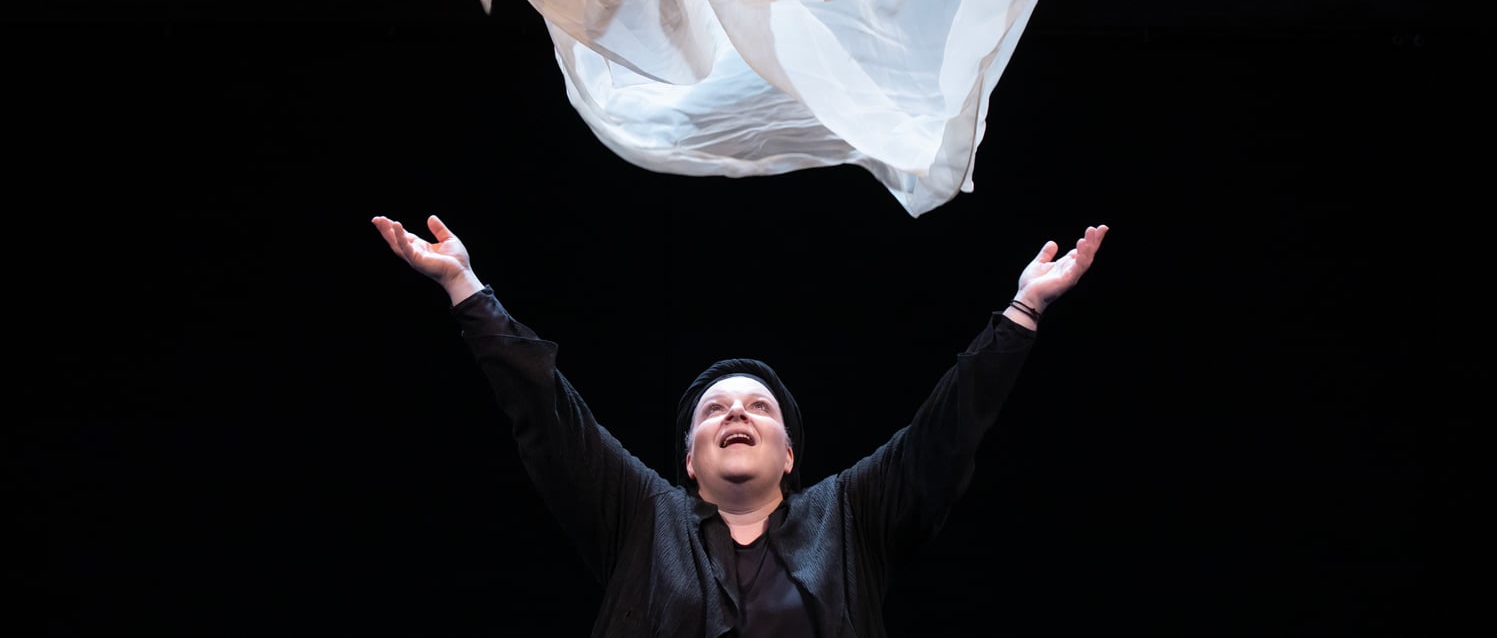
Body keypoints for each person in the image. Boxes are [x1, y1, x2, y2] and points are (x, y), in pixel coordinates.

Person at [371, 213, 1108, 637]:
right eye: (714, 409)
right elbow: (546, 412)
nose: (735, 413)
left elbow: (945, 433)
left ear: (790, 455)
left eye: (759, 407)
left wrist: (1023, 310)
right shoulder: (642, 517)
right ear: (689, 461)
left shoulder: (851, 515)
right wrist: (464, 285)